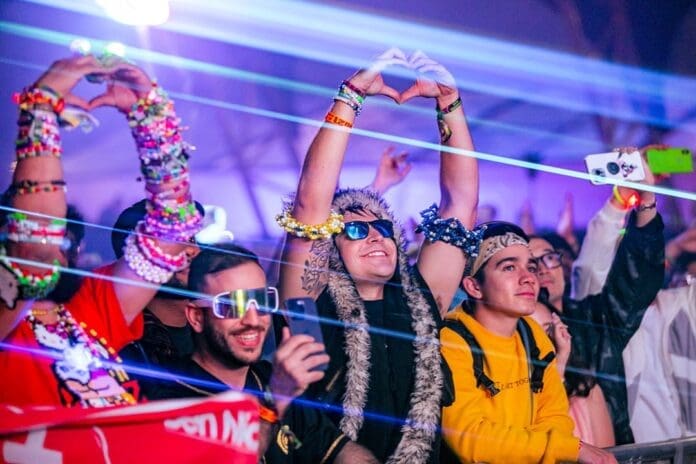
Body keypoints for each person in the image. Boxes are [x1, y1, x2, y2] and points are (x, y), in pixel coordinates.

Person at [278, 49, 479, 462]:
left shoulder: (421, 301)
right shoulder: (310, 305)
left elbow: (460, 206)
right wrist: (350, 97)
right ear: (329, 245)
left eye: (383, 226)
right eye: (354, 229)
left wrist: (450, 105)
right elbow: (309, 206)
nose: (375, 236)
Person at [0, 55, 201, 407]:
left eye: (68, 240)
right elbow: (35, 250)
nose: (58, 249)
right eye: (53, 234)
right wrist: (41, 109)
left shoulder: (89, 302)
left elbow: (172, 229)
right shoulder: (8, 320)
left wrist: (149, 116)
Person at [148, 243, 378, 463]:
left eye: (261, 301)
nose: (252, 320)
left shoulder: (268, 378)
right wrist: (276, 400)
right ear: (197, 317)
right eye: (232, 305)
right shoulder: (167, 400)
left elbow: (338, 449)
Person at [440, 221, 617, 464]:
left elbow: (555, 415)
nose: (529, 278)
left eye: (530, 267)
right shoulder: (452, 341)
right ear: (474, 286)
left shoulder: (531, 333)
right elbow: (470, 438)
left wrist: (551, 448)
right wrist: (567, 448)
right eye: (509, 267)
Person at [529, 150, 665, 444]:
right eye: (530, 263)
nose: (542, 269)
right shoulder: (513, 337)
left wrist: (646, 199)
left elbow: (636, 278)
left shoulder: (593, 318)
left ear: (563, 265)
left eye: (549, 258)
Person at [530, 296, 615, 447]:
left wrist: (562, 357)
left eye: (549, 329)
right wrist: (560, 363)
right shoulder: (513, 393)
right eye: (534, 333)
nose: (545, 339)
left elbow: (606, 453)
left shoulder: (585, 388)